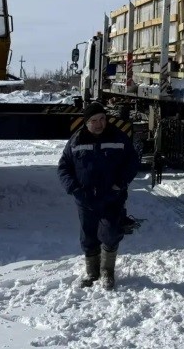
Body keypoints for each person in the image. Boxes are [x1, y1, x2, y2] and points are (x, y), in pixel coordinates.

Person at [58, 101, 140, 289]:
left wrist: (120, 183)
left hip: (112, 197)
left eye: (102, 119)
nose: (99, 124)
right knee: (88, 236)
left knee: (110, 232)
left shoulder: (118, 138)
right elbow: (63, 168)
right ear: (86, 122)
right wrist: (74, 189)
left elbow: (132, 161)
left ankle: (107, 272)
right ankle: (92, 272)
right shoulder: (76, 141)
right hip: (85, 198)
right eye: (94, 120)